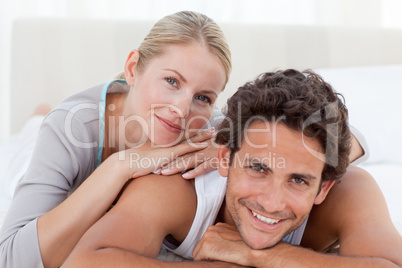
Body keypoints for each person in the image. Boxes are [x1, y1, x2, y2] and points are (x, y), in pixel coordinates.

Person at [62, 69, 402, 267]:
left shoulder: (349, 192)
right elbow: (85, 261)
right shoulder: (174, 187)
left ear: (323, 188)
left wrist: (256, 256)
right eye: (258, 169)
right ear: (224, 159)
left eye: (298, 180)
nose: (271, 203)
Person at [0, 11, 232, 268]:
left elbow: (268, 140)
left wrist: (230, 152)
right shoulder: (72, 128)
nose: (183, 109)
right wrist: (120, 165)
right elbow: (12, 259)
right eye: (171, 81)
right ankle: (38, 116)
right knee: (27, 141)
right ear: (133, 69)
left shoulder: (209, 128)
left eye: (203, 97)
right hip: (36, 151)